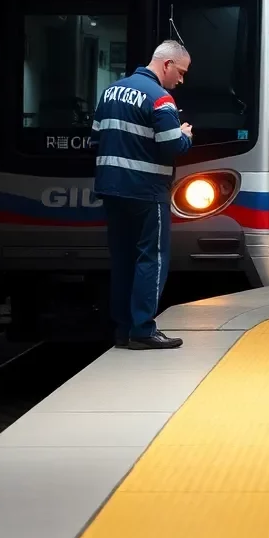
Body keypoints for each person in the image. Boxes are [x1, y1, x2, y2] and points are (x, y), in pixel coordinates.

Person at [91, 41, 193, 348]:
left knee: (122, 259)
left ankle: (123, 329)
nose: (181, 80)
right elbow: (172, 146)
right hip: (147, 192)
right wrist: (185, 136)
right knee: (152, 258)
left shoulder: (110, 92)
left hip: (110, 189)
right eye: (181, 71)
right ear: (166, 65)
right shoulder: (161, 99)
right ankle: (144, 330)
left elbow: (95, 139)